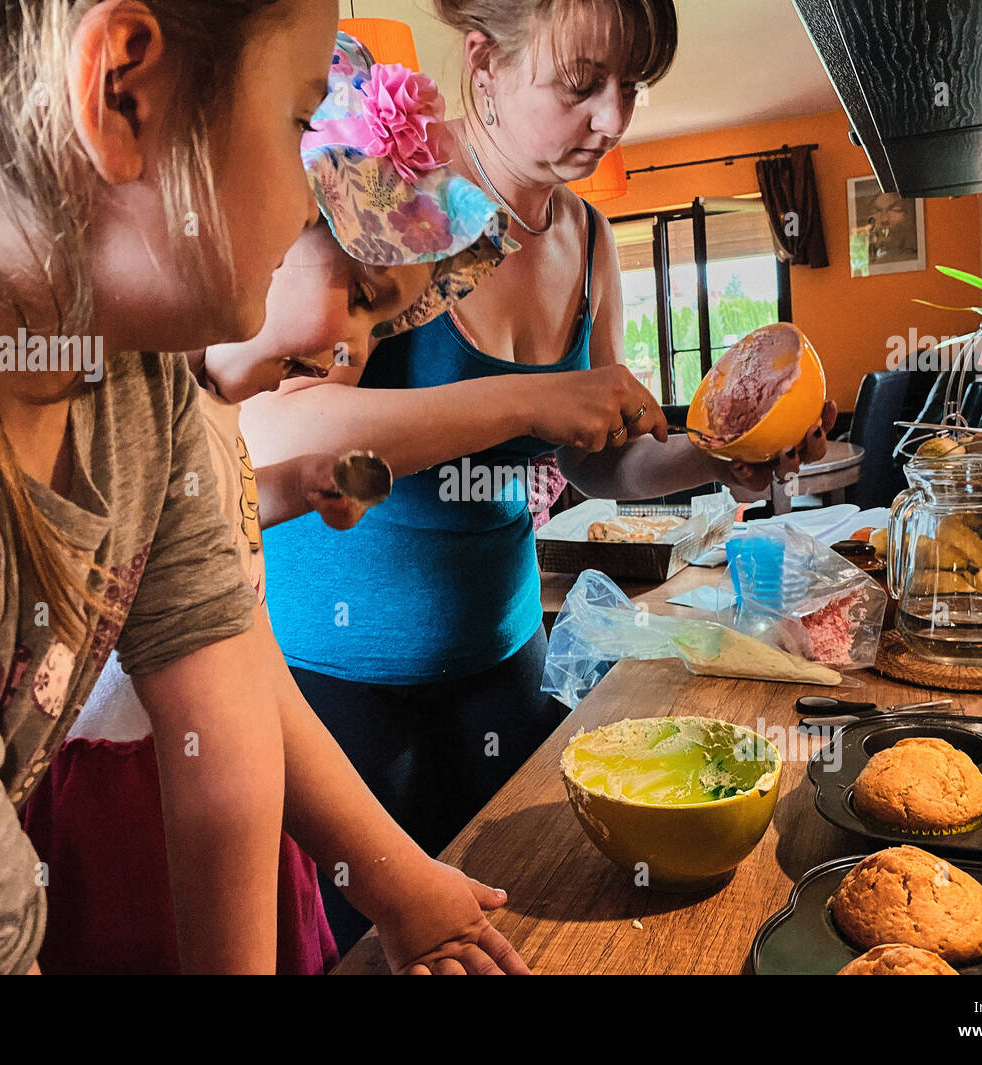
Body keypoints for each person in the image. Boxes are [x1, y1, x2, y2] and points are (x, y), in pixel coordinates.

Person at [0, 0, 527, 975]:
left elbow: (225, 703)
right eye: (299, 121)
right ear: (124, 93)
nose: (308, 192)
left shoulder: (138, 380)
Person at [243, 2, 838, 950]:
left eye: (630, 88)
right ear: (483, 63)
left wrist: (722, 452)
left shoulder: (591, 239)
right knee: (373, 948)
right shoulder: (388, 196)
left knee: (516, 933)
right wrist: (527, 402)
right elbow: (273, 428)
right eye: (582, 85)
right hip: (341, 677)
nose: (612, 119)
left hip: (503, 659)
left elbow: (595, 460)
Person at [23, 37, 516, 974]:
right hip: (124, 796)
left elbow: (203, 545)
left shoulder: (195, 412)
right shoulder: (121, 390)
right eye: (360, 296)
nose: (355, 347)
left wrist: (292, 489)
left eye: (384, 321)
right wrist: (397, 880)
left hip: (229, 789)